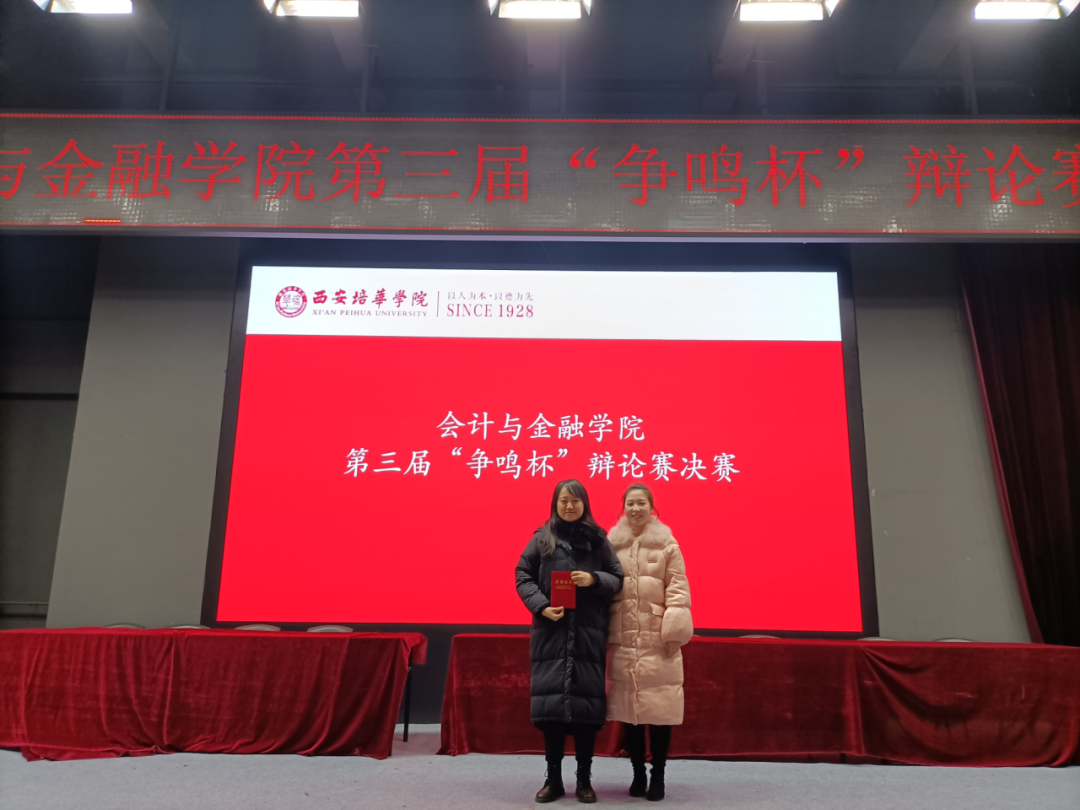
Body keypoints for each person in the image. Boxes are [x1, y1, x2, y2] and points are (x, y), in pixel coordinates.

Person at [516, 479, 625, 804]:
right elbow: (522, 575)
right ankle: (553, 780)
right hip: (551, 633)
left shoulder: (598, 539)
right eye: (564, 500)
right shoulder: (542, 538)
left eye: (575, 501)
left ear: (584, 504)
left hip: (588, 635)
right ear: (555, 503)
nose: (569, 506)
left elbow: (617, 578)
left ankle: (584, 781)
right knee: (551, 713)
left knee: (585, 713)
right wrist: (541, 606)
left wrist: (593, 579)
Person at [606, 485, 692, 802]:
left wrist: (674, 632)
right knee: (630, 711)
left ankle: (658, 775)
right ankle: (637, 773)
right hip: (624, 638)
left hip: (657, 639)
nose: (635, 508)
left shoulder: (667, 544)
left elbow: (678, 589)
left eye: (641, 503)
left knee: (659, 711)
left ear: (651, 507)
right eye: (630, 503)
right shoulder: (612, 545)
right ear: (623, 508)